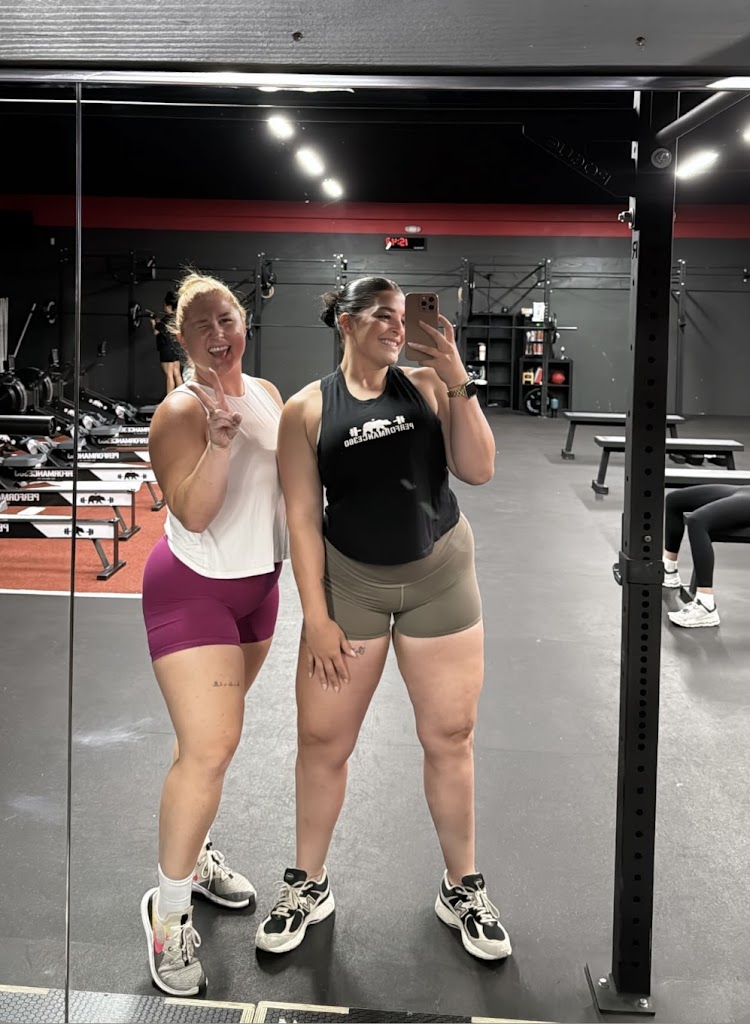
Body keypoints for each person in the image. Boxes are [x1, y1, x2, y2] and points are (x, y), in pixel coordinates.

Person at [256, 276, 512, 963]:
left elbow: (479, 469)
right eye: (384, 316)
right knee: (322, 740)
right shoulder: (307, 410)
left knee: (450, 736)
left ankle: (462, 887)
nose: (399, 327)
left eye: (404, 316)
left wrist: (458, 379)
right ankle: (308, 882)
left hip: (440, 577)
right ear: (346, 322)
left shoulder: (428, 386)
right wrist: (315, 616)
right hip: (352, 586)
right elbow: (302, 519)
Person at [140, 272, 288, 996]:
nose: (219, 334)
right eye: (202, 326)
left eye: (227, 318)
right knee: (211, 747)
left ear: (244, 321)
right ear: (183, 338)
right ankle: (167, 916)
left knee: (203, 746)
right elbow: (194, 514)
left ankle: (194, 855)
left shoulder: (266, 394)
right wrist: (220, 444)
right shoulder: (179, 410)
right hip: (193, 589)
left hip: (259, 591)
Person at [662, 483, 750, 627]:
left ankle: (706, 605)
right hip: (746, 490)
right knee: (674, 500)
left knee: (697, 521)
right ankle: (668, 570)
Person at [151, 291, 184, 395]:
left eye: (164, 305)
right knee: (177, 374)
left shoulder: (165, 320)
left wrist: (152, 322)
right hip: (175, 348)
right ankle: (182, 397)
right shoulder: (176, 319)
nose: (163, 306)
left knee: (169, 375)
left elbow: (156, 331)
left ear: (169, 306)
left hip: (166, 349)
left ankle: (169, 399)